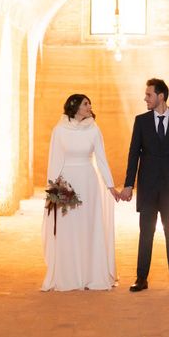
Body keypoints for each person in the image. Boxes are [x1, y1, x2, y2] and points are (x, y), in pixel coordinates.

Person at [42, 94, 120, 291]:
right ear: (74, 106)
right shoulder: (59, 130)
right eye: (85, 103)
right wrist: (53, 191)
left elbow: (101, 159)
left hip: (88, 182)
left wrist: (110, 186)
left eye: (89, 103)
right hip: (67, 184)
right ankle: (69, 276)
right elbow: (54, 161)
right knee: (69, 227)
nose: (89, 106)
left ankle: (90, 275)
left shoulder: (94, 129)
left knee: (88, 226)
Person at [120, 78, 169, 293]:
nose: (145, 98)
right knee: (146, 233)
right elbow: (133, 154)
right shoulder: (141, 121)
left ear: (161, 96)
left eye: (149, 95)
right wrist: (128, 185)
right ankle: (141, 278)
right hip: (148, 187)